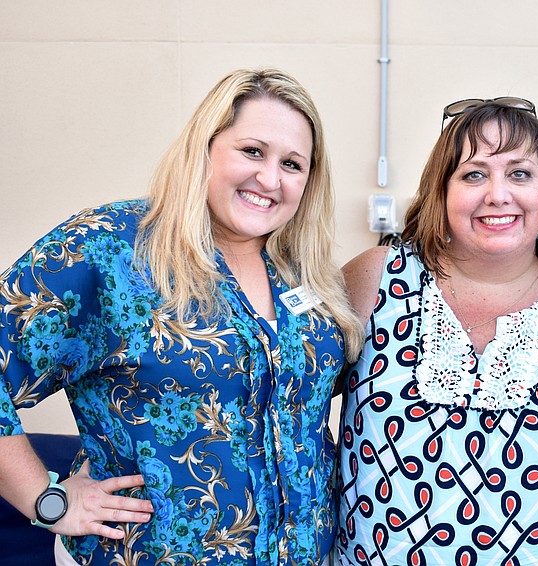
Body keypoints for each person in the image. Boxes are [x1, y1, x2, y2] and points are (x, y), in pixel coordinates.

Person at [0, 67, 363, 565]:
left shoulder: (304, 273)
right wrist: (45, 499)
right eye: (252, 151)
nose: (270, 178)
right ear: (205, 148)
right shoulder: (110, 250)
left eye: (293, 164)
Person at [336, 98, 538, 565]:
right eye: (474, 174)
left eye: (520, 173)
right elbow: (288, 398)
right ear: (440, 191)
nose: (498, 194)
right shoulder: (374, 282)